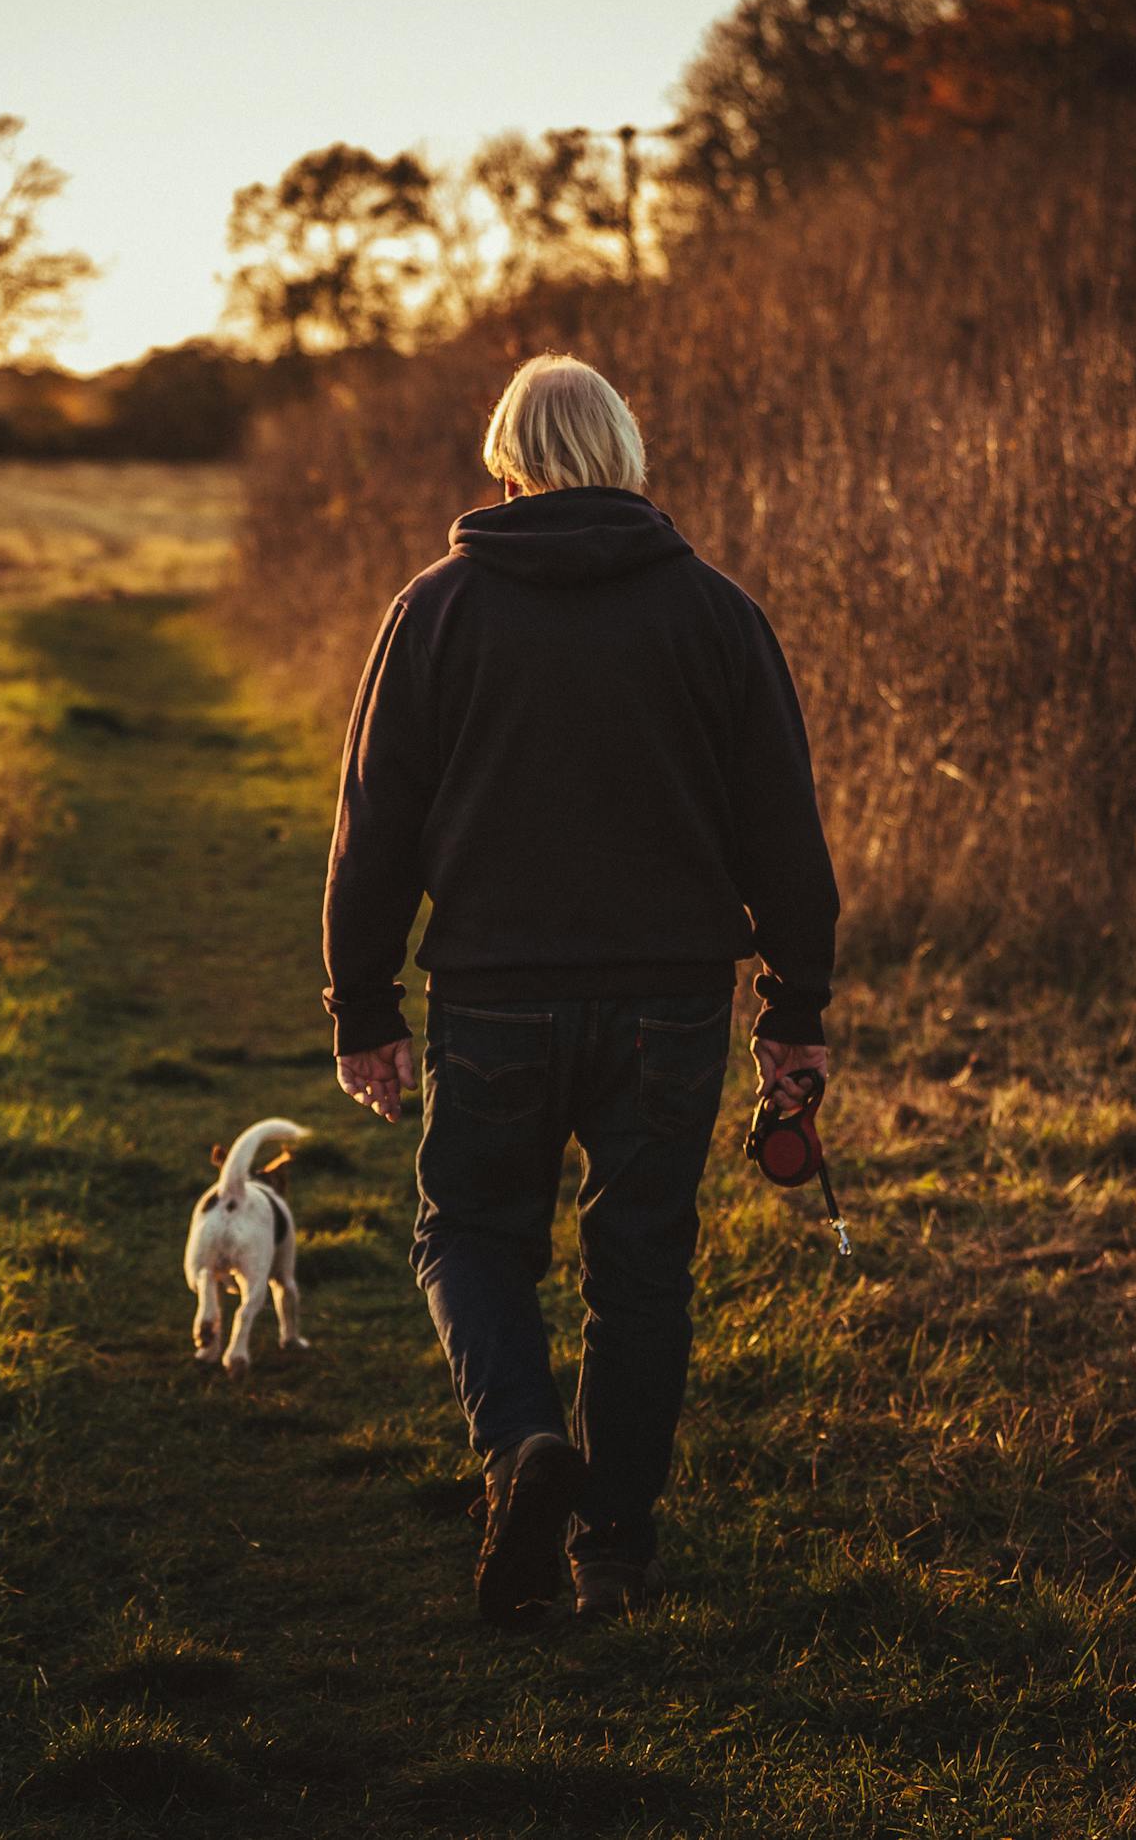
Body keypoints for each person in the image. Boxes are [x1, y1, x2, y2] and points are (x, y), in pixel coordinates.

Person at [324, 353, 839, 1626]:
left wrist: (365, 1005)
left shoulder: (435, 611)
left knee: (468, 1235)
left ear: (505, 458)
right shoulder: (716, 613)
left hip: (494, 997)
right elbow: (785, 831)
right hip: (670, 1003)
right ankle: (613, 1548)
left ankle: (521, 1449)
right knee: (642, 1271)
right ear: (626, 454)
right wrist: (794, 1012)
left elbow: (374, 824)